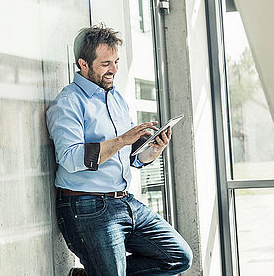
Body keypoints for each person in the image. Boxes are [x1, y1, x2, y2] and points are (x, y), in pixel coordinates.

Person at [46, 24, 193, 276]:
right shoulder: (68, 103)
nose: (113, 69)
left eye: (115, 61)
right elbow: (69, 158)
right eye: (105, 64)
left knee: (178, 257)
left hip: (124, 201)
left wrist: (151, 151)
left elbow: (129, 158)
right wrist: (122, 140)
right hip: (86, 206)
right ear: (83, 64)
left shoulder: (115, 99)